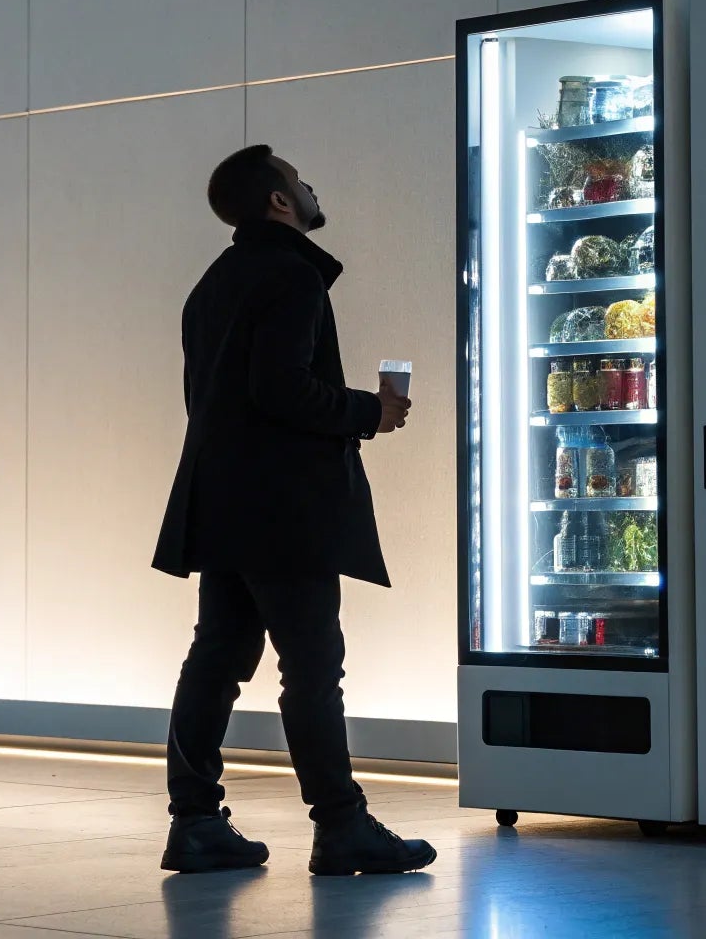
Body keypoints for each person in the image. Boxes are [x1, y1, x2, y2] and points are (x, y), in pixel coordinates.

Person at [151, 145, 436, 876]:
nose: (310, 187)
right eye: (298, 180)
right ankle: (340, 825)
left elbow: (220, 397)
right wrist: (370, 411)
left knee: (217, 658)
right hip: (284, 506)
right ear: (280, 201)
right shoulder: (292, 275)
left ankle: (195, 821)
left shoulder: (212, 282)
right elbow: (281, 390)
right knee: (311, 668)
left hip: (221, 500)